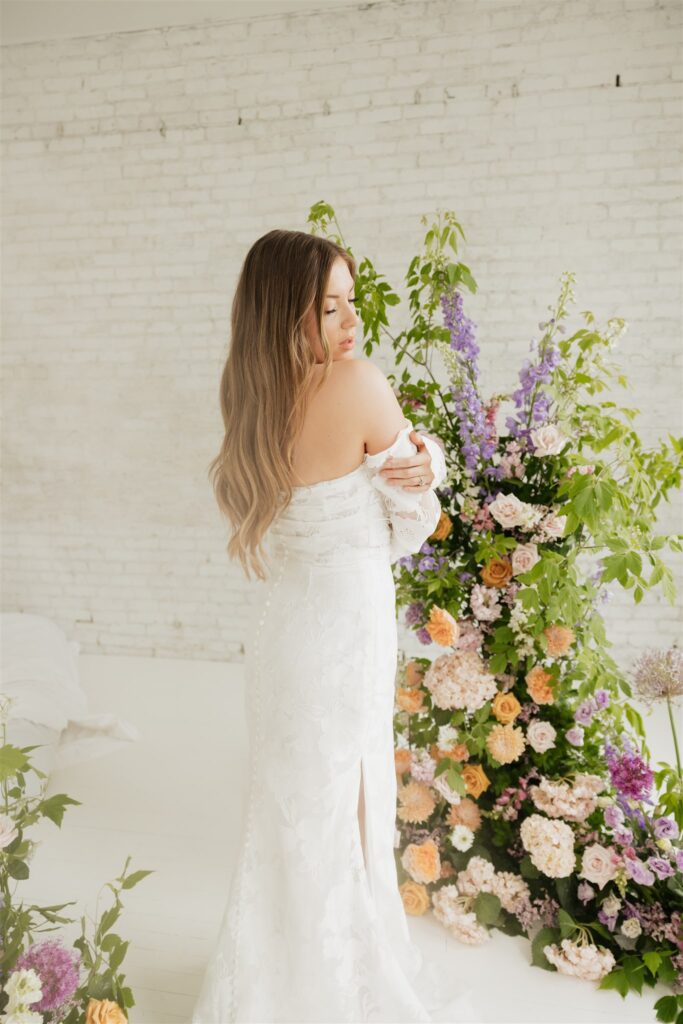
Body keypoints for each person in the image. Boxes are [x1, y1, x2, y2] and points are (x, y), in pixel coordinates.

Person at [192, 229, 450, 1023]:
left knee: (290, 808)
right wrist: (431, 461)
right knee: (349, 801)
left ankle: (274, 980)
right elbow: (409, 525)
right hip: (344, 626)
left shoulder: (249, 396)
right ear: (284, 315)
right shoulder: (359, 383)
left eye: (350, 302)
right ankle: (337, 987)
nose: (349, 324)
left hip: (284, 635)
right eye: (327, 307)